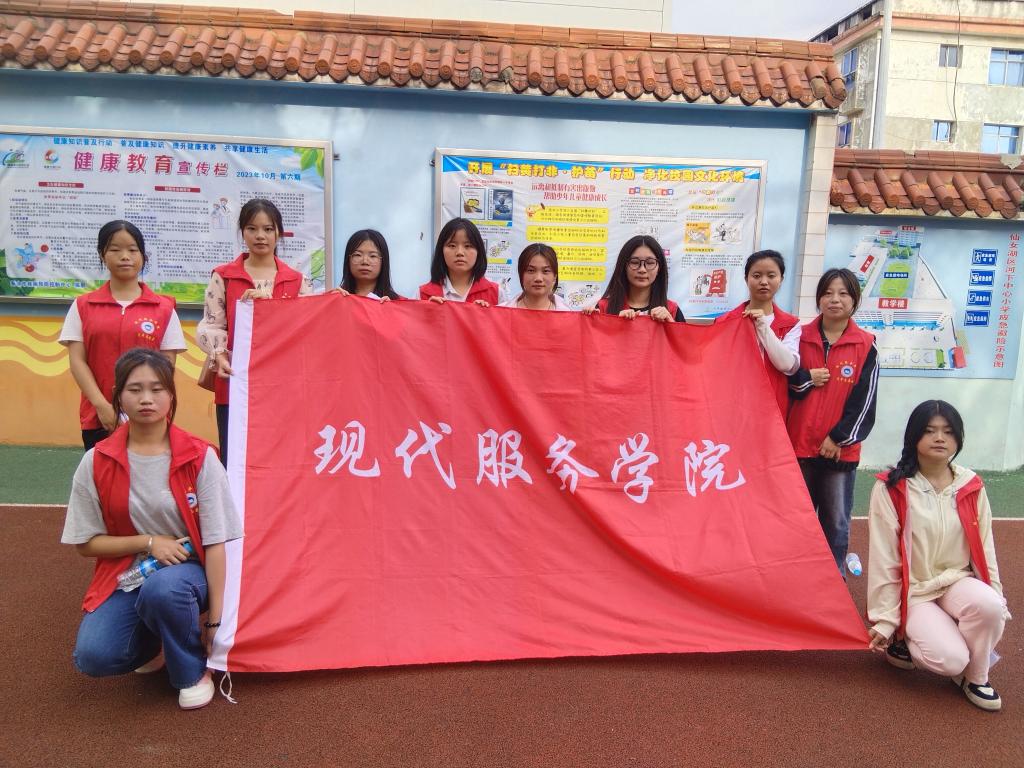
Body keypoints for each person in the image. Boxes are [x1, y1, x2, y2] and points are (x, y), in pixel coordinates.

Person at [62, 348, 243, 710]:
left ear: (171, 395)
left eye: (157, 389)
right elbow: (86, 543)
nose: (146, 398)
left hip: (191, 575)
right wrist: (149, 542)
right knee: (94, 656)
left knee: (165, 589)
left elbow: (216, 541)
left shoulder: (199, 457)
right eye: (135, 389)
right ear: (118, 396)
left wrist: (215, 623)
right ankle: (158, 641)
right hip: (130, 574)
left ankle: (192, 672)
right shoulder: (97, 460)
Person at [867, 400, 1009, 712]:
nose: (940, 438)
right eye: (930, 431)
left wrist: (996, 595)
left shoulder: (970, 485)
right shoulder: (892, 488)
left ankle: (976, 677)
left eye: (948, 431)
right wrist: (887, 619)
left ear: (959, 438)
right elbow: (884, 558)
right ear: (914, 437)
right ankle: (906, 641)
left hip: (957, 581)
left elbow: (985, 547)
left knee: (990, 607)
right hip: (915, 592)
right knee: (949, 659)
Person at [197, 198, 312, 465]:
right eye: (252, 228)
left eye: (268, 229)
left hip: (283, 388)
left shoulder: (297, 281)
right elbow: (212, 325)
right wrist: (220, 356)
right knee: (235, 460)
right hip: (234, 383)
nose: (260, 236)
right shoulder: (224, 276)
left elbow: (306, 329)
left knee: (282, 461)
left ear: (279, 233)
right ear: (242, 232)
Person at [60, 220, 186, 450]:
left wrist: (147, 404)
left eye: (132, 250)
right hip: (99, 417)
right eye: (115, 250)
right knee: (103, 470)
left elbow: (167, 366)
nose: (125, 256)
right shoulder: (83, 306)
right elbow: (77, 361)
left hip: (150, 415)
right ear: (102, 254)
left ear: (143, 256)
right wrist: (102, 406)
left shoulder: (164, 308)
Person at [787, 267, 878, 574]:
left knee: (835, 521)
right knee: (796, 520)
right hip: (799, 447)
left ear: (854, 300)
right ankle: (795, 581)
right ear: (818, 299)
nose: (834, 300)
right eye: (827, 293)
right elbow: (783, 382)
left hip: (839, 452)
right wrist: (806, 379)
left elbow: (865, 402)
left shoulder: (866, 344)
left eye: (843, 294)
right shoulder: (799, 336)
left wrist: (838, 438)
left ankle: (833, 582)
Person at [715, 250, 800, 416]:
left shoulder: (790, 324)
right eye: (756, 276)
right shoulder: (725, 321)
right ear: (746, 279)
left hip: (771, 409)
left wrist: (762, 326)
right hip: (732, 406)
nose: (764, 282)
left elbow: (788, 366)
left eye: (771, 276)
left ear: (781, 279)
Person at [585, 236, 683, 322]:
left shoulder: (672, 310)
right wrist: (593, 321)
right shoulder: (603, 308)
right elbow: (592, 337)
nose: (642, 269)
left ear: (659, 268)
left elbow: (685, 338)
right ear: (624, 266)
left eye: (650, 263)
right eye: (634, 262)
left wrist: (671, 324)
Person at [418, 218, 499, 305]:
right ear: (441, 251)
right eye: (452, 245)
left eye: (467, 246)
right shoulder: (422, 294)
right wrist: (427, 310)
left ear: (478, 251)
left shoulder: (496, 293)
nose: (459, 252)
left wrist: (485, 312)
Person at [498, 243, 571, 311]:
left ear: (555, 276)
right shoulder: (500, 313)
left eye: (546, 271)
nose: (538, 278)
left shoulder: (567, 314)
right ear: (521, 274)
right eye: (531, 270)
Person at [338, 229, 401, 301]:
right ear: (348, 259)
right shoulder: (337, 298)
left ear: (383, 261)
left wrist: (389, 307)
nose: (365, 261)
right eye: (358, 255)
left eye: (373, 256)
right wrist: (334, 300)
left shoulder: (396, 303)